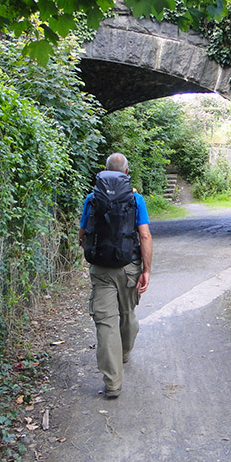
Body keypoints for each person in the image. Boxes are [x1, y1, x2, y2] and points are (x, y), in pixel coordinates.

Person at [78, 153, 152, 399]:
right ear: (127, 172)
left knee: (106, 322)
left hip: (101, 270)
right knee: (128, 314)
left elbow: (83, 234)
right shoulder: (135, 198)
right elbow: (144, 236)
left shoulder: (92, 198)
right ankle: (123, 353)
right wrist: (146, 270)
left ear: (105, 171)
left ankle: (112, 383)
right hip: (129, 267)